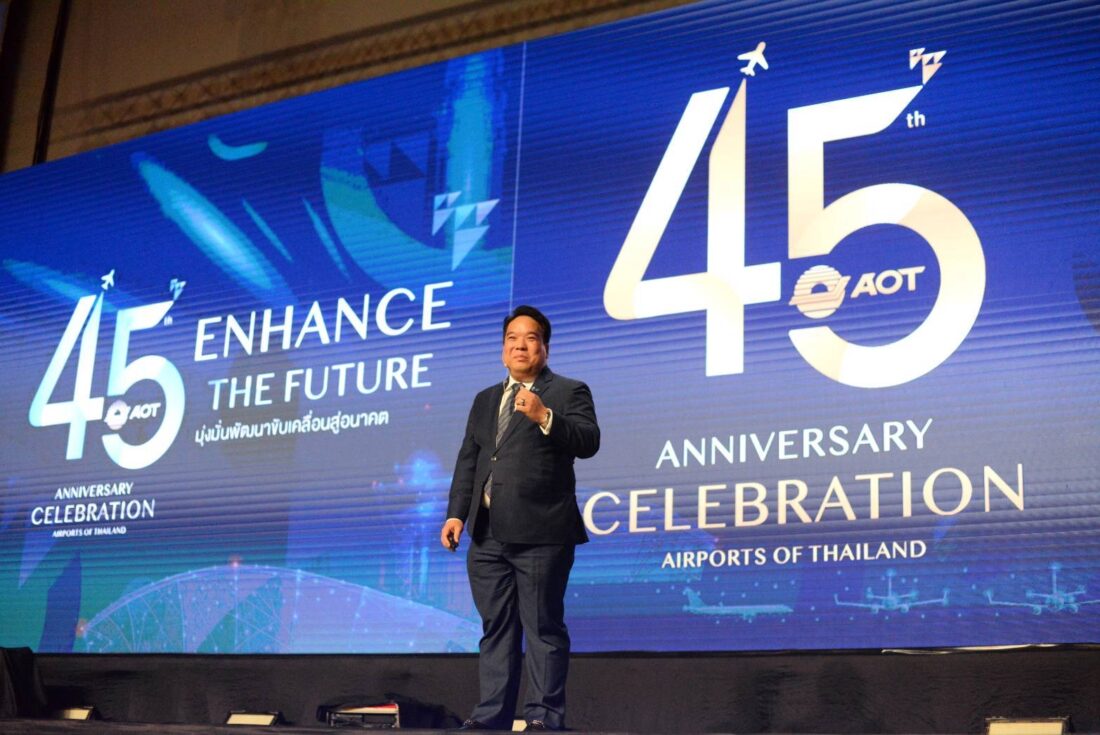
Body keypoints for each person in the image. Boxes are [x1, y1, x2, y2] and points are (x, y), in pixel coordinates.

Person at [441, 305, 599, 732]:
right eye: (512, 338)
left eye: (530, 338)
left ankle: (543, 717)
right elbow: (470, 460)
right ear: (502, 349)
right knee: (496, 628)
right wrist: (456, 515)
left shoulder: (568, 391)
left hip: (542, 532)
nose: (520, 345)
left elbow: (589, 441)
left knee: (543, 627)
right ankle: (491, 715)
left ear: (544, 348)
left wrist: (544, 416)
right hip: (487, 535)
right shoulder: (485, 399)